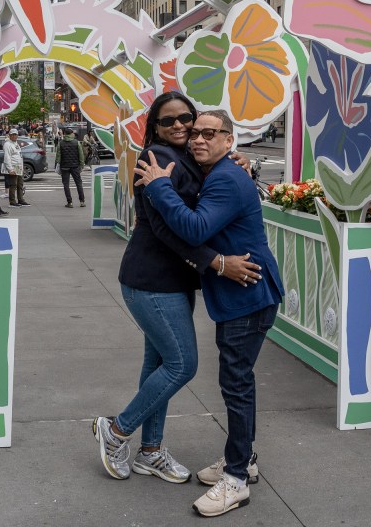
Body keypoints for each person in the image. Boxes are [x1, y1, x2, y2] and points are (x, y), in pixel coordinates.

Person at [91, 92, 259, 488]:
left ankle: (151, 452)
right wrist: (217, 263)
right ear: (156, 127)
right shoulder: (158, 158)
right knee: (182, 365)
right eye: (170, 122)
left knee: (158, 365)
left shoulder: (186, 156)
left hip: (170, 281)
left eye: (187, 118)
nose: (181, 126)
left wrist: (238, 162)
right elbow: (167, 230)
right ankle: (116, 430)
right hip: (153, 281)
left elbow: (211, 187)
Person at [136, 109, 285, 518]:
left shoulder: (224, 177)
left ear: (228, 139)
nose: (198, 138)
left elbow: (195, 228)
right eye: (194, 132)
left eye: (209, 133)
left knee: (236, 385)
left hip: (248, 297)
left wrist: (160, 187)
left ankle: (236, 478)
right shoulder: (220, 171)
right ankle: (244, 459)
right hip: (244, 295)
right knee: (238, 382)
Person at [57, 127, 86, 208]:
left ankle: (70, 202)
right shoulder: (76, 142)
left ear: (65, 134)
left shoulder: (61, 143)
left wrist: (57, 165)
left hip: (64, 166)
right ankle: (82, 201)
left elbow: (58, 156)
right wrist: (81, 165)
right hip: (75, 166)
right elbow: (81, 155)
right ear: (71, 134)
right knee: (79, 184)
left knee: (66, 185)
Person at [2, 128, 29, 207]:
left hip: (18, 167)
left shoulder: (16, 143)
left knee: (20, 184)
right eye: (13, 135)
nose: (14, 136)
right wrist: (10, 169)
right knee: (13, 185)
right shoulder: (7, 144)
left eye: (15, 134)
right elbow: (7, 157)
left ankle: (21, 199)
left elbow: (19, 155)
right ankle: (12, 201)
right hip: (13, 167)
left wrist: (22, 167)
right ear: (10, 135)